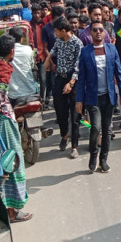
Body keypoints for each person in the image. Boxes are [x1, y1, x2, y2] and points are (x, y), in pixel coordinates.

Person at [76, 20, 121, 173]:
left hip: (109, 97)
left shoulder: (111, 50)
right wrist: (79, 100)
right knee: (95, 127)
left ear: (104, 32)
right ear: (90, 33)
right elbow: (81, 79)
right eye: (95, 30)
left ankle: (103, 160)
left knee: (106, 130)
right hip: (93, 98)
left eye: (101, 30)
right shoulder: (85, 52)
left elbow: (119, 73)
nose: (98, 32)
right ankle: (93, 155)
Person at [0, 34, 33, 223]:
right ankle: (12, 209)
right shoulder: (2, 69)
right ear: (12, 51)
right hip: (4, 121)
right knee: (13, 162)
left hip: (2, 118)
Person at [44, 16, 83, 159]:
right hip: (59, 78)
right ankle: (64, 135)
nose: (54, 34)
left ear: (63, 30)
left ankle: (74, 146)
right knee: (60, 111)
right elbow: (53, 51)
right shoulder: (59, 41)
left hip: (73, 80)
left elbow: (78, 66)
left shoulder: (77, 44)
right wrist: (48, 60)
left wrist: (71, 83)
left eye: (56, 31)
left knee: (75, 115)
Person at [8, 27, 38, 102]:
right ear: (21, 39)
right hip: (30, 90)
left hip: (13, 94)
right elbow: (32, 65)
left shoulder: (7, 52)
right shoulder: (28, 49)